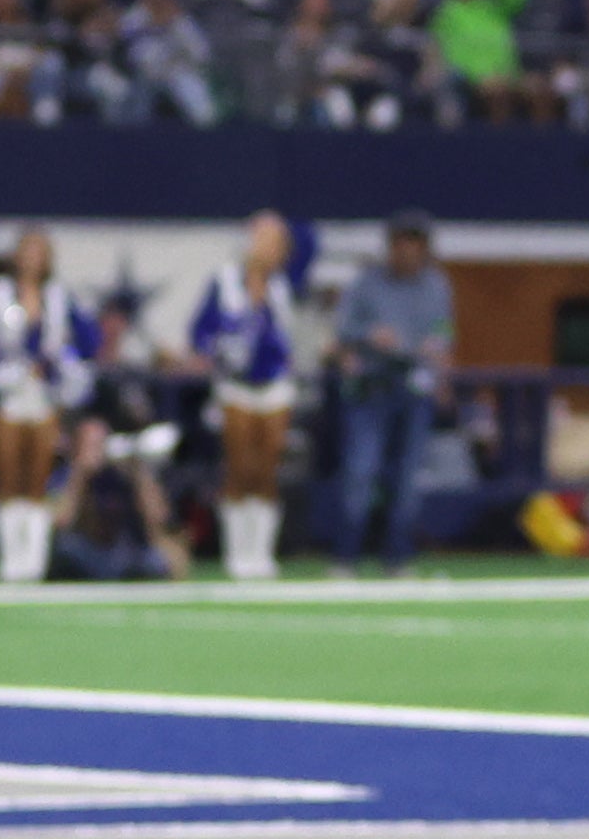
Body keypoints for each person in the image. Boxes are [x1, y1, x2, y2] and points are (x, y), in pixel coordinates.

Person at [0, 225, 94, 582]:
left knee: (38, 480)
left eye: (40, 252)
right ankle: (10, 559)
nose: (33, 259)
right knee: (8, 478)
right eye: (27, 251)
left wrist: (61, 359)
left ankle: (33, 560)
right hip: (7, 393)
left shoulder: (58, 296)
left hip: (43, 395)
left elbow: (88, 339)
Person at [329, 208, 455, 575]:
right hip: (373, 386)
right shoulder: (367, 283)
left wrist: (438, 350)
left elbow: (444, 332)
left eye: (415, 245)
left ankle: (397, 559)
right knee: (361, 473)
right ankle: (346, 558)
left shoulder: (436, 285)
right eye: (402, 244)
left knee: (408, 479)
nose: (408, 253)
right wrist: (370, 337)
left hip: (414, 388)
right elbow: (343, 333)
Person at [183, 209, 303, 582]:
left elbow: (284, 337)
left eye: (274, 241)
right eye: (260, 239)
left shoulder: (284, 284)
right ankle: (236, 553)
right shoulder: (224, 282)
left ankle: (261, 552)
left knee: (267, 469)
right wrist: (220, 348)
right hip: (235, 386)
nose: (266, 247)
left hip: (274, 385)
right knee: (239, 468)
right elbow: (199, 332)